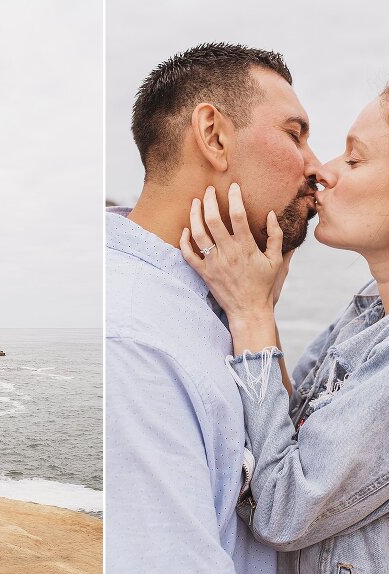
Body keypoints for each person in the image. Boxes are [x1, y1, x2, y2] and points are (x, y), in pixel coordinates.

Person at [181, 70, 389, 573]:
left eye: (354, 158)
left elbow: (282, 508)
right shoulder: (372, 310)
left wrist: (251, 314)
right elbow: (287, 443)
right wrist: (264, 308)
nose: (323, 170)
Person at [106, 43, 319, 572]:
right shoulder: (136, 341)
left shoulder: (212, 296)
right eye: (294, 135)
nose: (317, 168)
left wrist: (258, 314)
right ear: (214, 136)